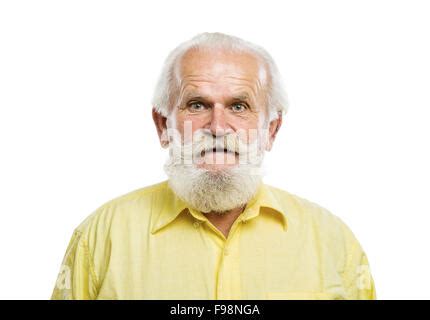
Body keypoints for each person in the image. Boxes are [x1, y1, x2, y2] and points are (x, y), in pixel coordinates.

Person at [51, 32, 376, 300]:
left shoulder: (333, 242)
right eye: (197, 104)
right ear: (163, 125)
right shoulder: (101, 238)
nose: (218, 126)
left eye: (239, 105)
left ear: (271, 130)